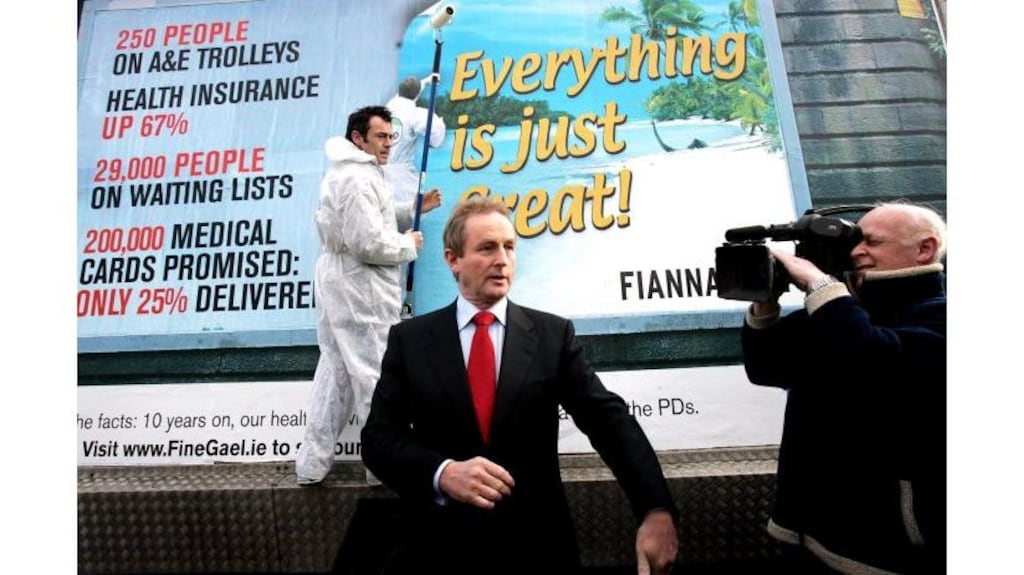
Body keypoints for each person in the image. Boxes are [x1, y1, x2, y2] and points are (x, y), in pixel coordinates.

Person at [361, 195, 679, 575]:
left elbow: (608, 422)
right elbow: (378, 441)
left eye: (509, 247)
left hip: (538, 549)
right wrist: (443, 472)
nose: (502, 259)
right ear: (452, 259)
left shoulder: (551, 335)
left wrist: (655, 508)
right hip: (439, 549)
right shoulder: (410, 340)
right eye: (487, 248)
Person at [741, 202, 946, 574]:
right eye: (853, 241)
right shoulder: (840, 310)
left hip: (882, 552)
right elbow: (766, 367)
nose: (856, 252)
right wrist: (765, 303)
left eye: (872, 242)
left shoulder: (941, 315)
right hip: (803, 534)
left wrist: (821, 285)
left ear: (925, 249)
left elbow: (871, 364)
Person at [295, 105, 440, 486]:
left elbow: (368, 218)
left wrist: (409, 211)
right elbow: (367, 241)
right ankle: (383, 468)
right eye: (380, 136)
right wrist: (407, 244)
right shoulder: (359, 179)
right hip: (361, 288)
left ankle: (311, 464)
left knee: (335, 372)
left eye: (391, 137)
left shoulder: (348, 174)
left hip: (337, 282)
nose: (389, 144)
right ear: (357, 138)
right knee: (374, 374)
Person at [384, 75, 447, 207]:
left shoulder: (389, 107)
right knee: (406, 213)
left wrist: (427, 81)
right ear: (417, 95)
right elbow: (436, 133)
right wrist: (432, 141)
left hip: (380, 173)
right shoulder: (416, 113)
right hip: (401, 179)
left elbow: (409, 92)